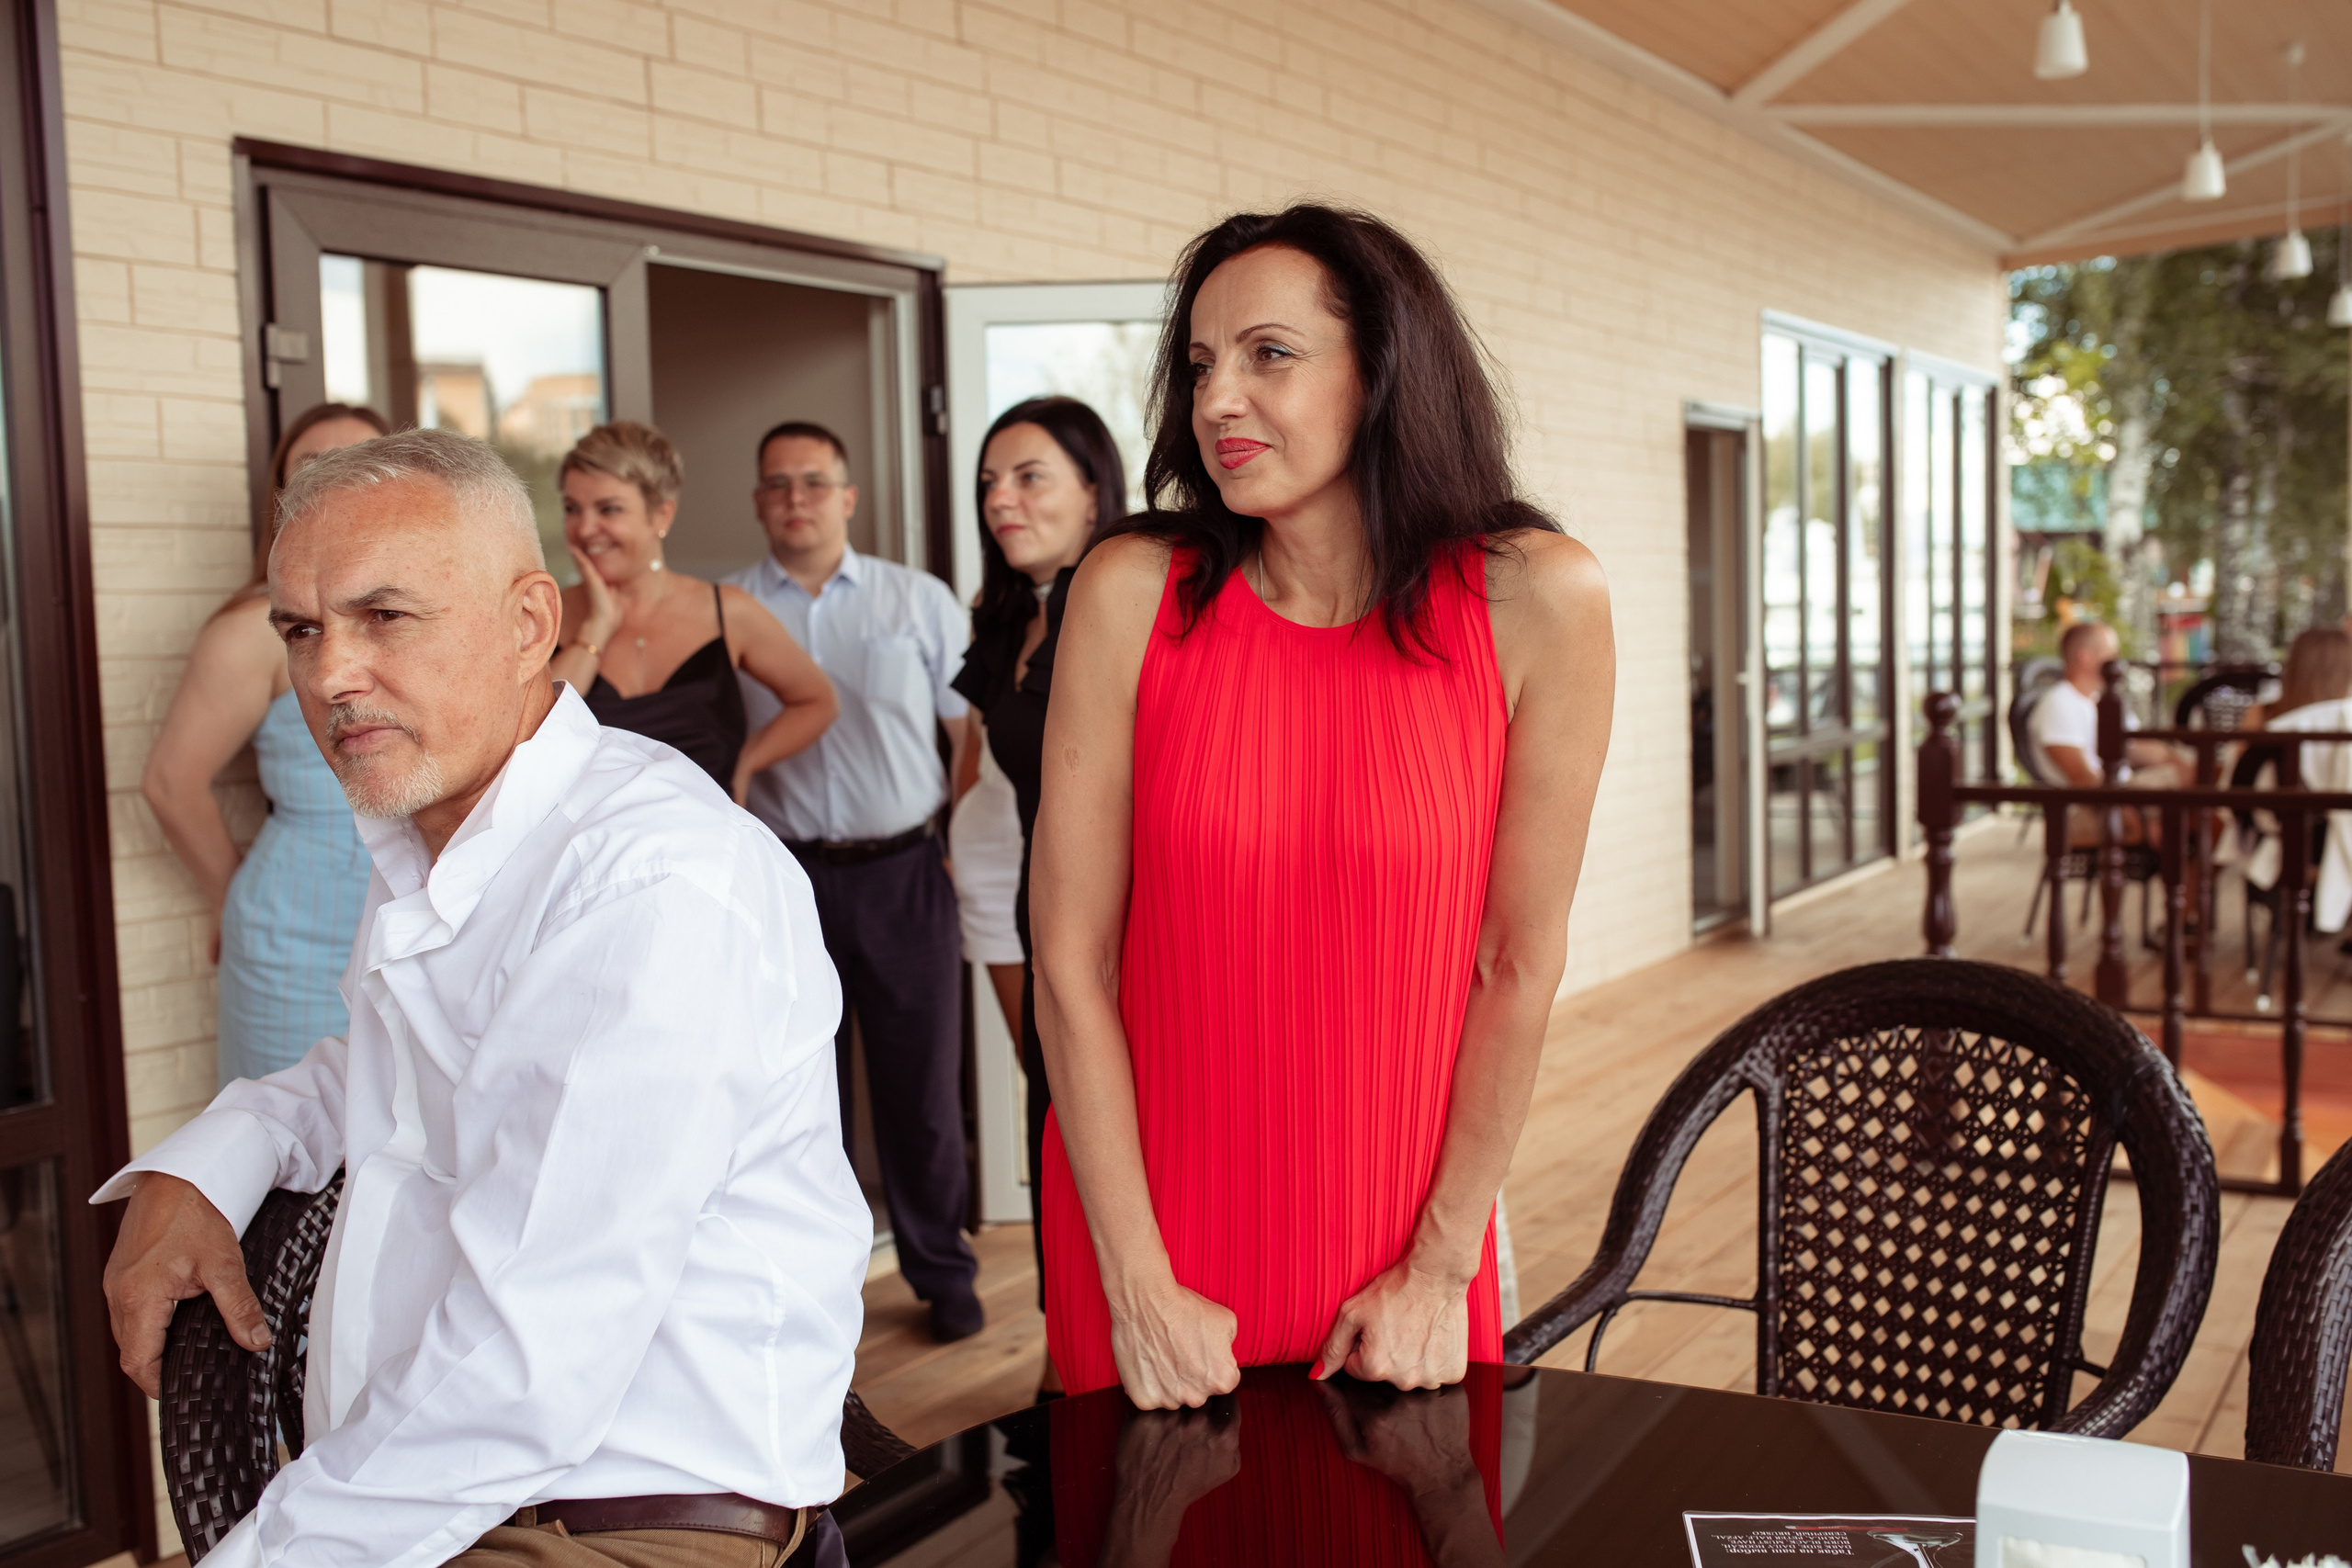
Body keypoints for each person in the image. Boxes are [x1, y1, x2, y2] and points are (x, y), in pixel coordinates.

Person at [96, 427, 869, 1568]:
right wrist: (207, 1157)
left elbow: (528, 1360)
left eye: (383, 617)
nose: (326, 675)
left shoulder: (650, 886)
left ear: (528, 625)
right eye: (302, 630)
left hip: (615, 1515)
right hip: (444, 1489)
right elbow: (388, 1065)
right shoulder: (437, 832)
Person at [1031, 206, 1614, 1407]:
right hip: (1146, 1250)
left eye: (1269, 355)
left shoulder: (1539, 598)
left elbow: (1517, 961)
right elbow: (1070, 958)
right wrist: (1136, 1283)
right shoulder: (1130, 590)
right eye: (1199, 366)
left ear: (1385, 371)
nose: (1217, 400)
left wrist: (1441, 1267)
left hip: (1400, 1270)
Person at [728, 420, 985, 1343]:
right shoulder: (726, 610)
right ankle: (818, 1292)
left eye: (813, 481)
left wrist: (953, 840)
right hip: (785, 880)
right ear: (759, 502)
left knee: (921, 1090)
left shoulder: (916, 602)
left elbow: (967, 737)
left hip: (904, 869)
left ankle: (943, 1273)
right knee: (802, 1098)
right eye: (778, 483)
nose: (795, 498)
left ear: (847, 497)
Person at [949, 395, 1125, 1353]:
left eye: (1028, 477)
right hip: (1038, 906)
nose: (1000, 500)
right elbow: (986, 769)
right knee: (1058, 1133)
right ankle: (1073, 1353)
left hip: (1129, 922)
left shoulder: (1134, 607)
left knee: (1120, 1140)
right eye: (988, 483)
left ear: (1095, 493)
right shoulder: (1007, 616)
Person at [143, 401, 390, 1087]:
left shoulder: (414, 617)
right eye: (315, 469)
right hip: (296, 938)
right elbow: (169, 781)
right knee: (290, 1163)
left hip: (410, 923)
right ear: (284, 498)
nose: (340, 481)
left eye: (362, 464)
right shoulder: (256, 628)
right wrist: (231, 893)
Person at [548, 421, 837, 798]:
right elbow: (530, 738)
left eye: (609, 509)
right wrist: (597, 629)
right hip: (585, 854)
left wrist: (746, 763)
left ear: (662, 516)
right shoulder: (545, 614)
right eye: (573, 509)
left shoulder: (728, 611)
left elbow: (818, 701)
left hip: (711, 851)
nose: (586, 529)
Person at [2026, 620, 2187, 843]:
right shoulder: (2058, 703)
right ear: (2086, 657)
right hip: (2091, 806)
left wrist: (2176, 761)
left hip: (2122, 791)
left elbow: (2135, 747)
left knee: (2194, 779)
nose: (2117, 660)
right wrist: (2130, 811)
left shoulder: (2102, 700)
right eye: (2110, 652)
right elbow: (2082, 779)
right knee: (2193, 816)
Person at [2245, 626, 2352, 934]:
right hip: (2330, 835)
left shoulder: (2264, 717)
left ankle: (2192, 919)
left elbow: (2238, 782)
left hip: (2285, 836)